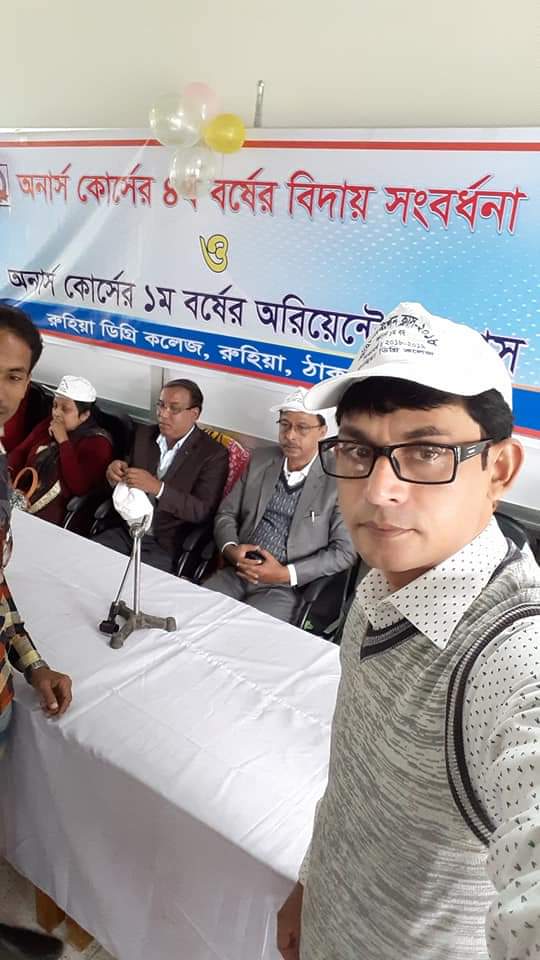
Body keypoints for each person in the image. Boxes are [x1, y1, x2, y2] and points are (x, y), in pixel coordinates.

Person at [276, 303, 540, 960]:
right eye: (359, 449)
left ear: (500, 470)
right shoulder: (381, 584)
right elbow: (351, 779)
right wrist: (311, 881)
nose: (379, 491)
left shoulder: (508, 655)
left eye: (426, 451)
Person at [205, 388, 356, 622]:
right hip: (238, 571)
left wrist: (286, 574)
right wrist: (231, 549)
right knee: (196, 613)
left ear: (323, 431)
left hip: (284, 588)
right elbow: (227, 512)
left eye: (302, 428)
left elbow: (345, 552)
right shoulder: (261, 459)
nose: (290, 435)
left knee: (248, 634)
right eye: (284, 425)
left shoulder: (339, 479)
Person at [93, 378, 228, 573]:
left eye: (174, 409)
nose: (163, 414)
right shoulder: (144, 435)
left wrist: (158, 488)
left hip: (166, 545)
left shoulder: (212, 454)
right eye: (161, 405)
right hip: (126, 531)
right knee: (86, 565)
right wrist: (114, 473)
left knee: (133, 585)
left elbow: (201, 511)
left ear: (194, 414)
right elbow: (126, 478)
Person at [8, 375, 113, 525]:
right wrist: (8, 474)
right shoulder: (49, 424)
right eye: (55, 406)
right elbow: (20, 452)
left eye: (65, 409)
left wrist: (63, 441)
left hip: (52, 512)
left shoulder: (98, 442)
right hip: (20, 494)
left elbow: (79, 487)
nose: (56, 413)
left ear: (84, 415)